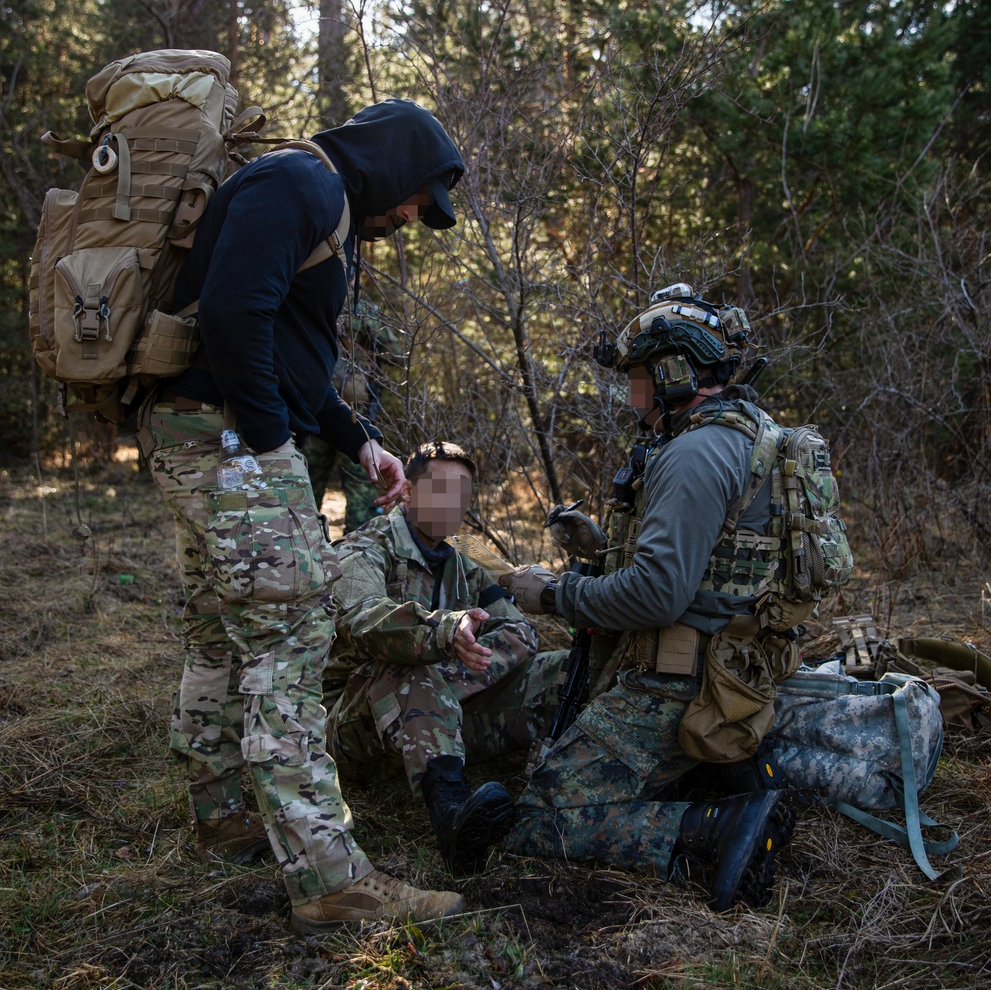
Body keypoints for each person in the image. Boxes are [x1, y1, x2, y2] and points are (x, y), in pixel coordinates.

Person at [140, 98, 470, 936]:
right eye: (415, 200)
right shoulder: (298, 183)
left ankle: (222, 816)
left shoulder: (319, 201)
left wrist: (357, 440)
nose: (408, 218)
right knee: (293, 641)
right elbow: (230, 313)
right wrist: (267, 446)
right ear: (395, 166)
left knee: (219, 632)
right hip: (231, 449)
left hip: (209, 439)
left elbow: (287, 346)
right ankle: (332, 881)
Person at [499, 283, 808, 913]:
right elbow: (713, 564)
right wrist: (603, 553)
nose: (632, 393)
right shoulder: (749, 433)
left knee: (537, 817)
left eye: (638, 378)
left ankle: (715, 829)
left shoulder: (694, 451)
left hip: (677, 682)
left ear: (671, 372)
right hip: (730, 669)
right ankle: (722, 781)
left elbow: (658, 595)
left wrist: (556, 594)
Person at [326, 442, 567, 874]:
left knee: (560, 671)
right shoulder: (365, 548)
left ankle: (574, 788)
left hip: (437, 716)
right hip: (356, 722)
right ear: (407, 493)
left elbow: (518, 632)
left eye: (461, 495)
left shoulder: (465, 559)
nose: (449, 503)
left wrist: (452, 672)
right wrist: (442, 632)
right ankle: (453, 815)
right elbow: (362, 619)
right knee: (411, 669)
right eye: (438, 489)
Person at [302, 297, 406, 533]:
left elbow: (396, 356)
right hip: (336, 408)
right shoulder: (362, 310)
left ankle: (319, 547)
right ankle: (355, 550)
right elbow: (396, 354)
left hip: (331, 410)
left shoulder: (312, 297)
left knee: (311, 486)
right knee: (350, 488)